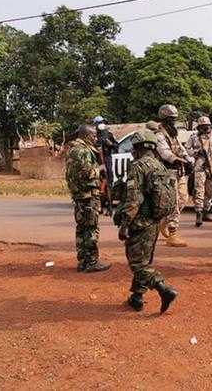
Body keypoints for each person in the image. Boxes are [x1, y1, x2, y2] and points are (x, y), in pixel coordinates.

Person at [117, 129, 178, 313]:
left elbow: (134, 199)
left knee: (138, 263)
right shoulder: (160, 166)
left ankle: (164, 289)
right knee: (145, 259)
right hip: (155, 221)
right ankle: (137, 297)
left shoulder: (138, 166)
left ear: (137, 148)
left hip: (140, 221)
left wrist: (125, 223)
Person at [65, 125, 112, 273]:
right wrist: (101, 169)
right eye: (93, 135)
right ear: (86, 136)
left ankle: (83, 261)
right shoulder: (83, 150)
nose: (96, 138)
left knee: (81, 229)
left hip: (79, 195)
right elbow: (85, 173)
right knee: (91, 229)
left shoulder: (72, 149)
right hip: (88, 195)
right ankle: (91, 262)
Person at [147, 105, 194, 247]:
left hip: (179, 172)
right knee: (173, 201)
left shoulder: (173, 134)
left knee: (183, 198)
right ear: (164, 119)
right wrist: (179, 160)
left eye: (174, 119)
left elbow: (180, 148)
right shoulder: (159, 135)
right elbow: (165, 153)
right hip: (167, 172)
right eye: (170, 119)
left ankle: (164, 221)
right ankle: (172, 233)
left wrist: (189, 159)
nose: (173, 122)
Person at [186, 116, 212, 227]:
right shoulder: (194, 137)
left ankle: (205, 211)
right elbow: (187, 150)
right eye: (203, 127)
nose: (205, 129)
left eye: (207, 126)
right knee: (199, 189)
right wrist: (196, 152)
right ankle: (198, 213)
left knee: (210, 191)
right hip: (199, 166)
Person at [93, 116, 118, 215]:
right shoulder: (93, 136)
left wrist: (110, 144)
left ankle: (110, 207)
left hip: (107, 160)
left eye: (101, 122)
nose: (99, 125)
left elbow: (116, 147)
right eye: (98, 123)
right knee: (97, 184)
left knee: (109, 184)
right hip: (96, 161)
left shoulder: (109, 135)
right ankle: (99, 207)